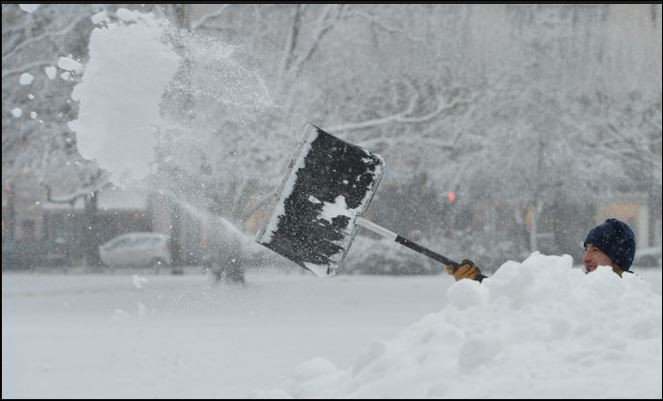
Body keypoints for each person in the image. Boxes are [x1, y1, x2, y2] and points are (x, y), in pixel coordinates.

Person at [445, 218, 637, 281]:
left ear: (617, 258)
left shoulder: (635, 307)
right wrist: (478, 283)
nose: (585, 257)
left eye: (596, 251)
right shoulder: (576, 291)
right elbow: (530, 310)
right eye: (586, 249)